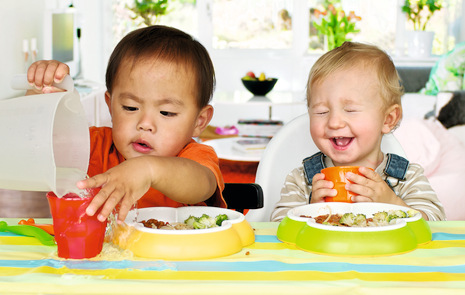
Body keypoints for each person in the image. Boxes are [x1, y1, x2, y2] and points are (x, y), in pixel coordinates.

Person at [26, 25, 226, 223]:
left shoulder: (194, 157)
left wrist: (148, 170)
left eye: (166, 112)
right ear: (110, 106)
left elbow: (203, 184)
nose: (145, 124)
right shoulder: (94, 146)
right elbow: (39, 145)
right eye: (130, 108)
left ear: (199, 121)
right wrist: (41, 102)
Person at [271, 42, 446, 222]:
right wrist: (311, 211)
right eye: (322, 112)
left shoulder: (407, 178)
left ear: (388, 120)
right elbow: (277, 226)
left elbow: (435, 224)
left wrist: (392, 203)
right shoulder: (302, 180)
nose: (334, 122)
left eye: (351, 110)